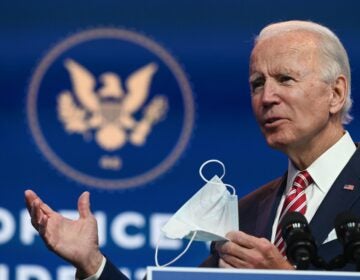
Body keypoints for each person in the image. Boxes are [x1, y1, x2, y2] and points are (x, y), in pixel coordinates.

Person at [25, 19, 360, 279]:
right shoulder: (247, 213)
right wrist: (92, 263)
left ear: (336, 93)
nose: (267, 97)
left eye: (285, 79)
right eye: (257, 84)